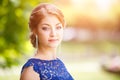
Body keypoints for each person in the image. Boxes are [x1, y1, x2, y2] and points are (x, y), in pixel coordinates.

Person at [20, 3, 74, 80]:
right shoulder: (31, 71)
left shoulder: (59, 63)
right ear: (34, 30)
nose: (53, 33)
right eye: (45, 28)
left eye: (58, 27)